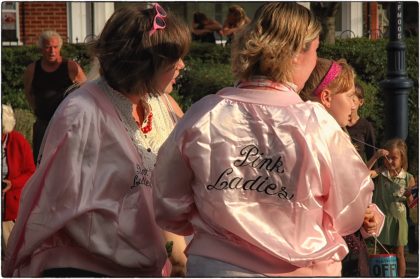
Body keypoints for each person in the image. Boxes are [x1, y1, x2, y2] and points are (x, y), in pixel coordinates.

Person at [152, 3, 377, 276]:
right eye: (315, 49)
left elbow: (167, 200)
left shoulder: (206, 114)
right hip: (300, 266)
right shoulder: (316, 125)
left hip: (218, 266)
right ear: (296, 53)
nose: (316, 60)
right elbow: (350, 210)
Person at [3, 4, 190, 277]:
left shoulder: (164, 105)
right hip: (89, 268)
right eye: (174, 59)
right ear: (143, 65)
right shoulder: (81, 114)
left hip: (147, 265)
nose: (182, 65)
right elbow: (59, 204)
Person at [300, 58, 384, 277]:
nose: (353, 104)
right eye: (349, 97)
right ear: (327, 98)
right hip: (332, 253)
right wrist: (361, 212)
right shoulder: (329, 138)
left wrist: (367, 215)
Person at [23, 30, 87, 164]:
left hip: (67, 125)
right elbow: (29, 93)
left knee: (68, 162)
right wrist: (38, 109)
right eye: (48, 47)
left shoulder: (70, 67)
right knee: (41, 163)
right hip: (43, 123)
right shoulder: (33, 69)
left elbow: (86, 90)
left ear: (60, 48)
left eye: (55, 47)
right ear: (42, 48)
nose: (52, 51)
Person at [369, 138, 416, 277]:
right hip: (381, 221)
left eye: (393, 158)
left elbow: (412, 205)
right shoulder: (380, 174)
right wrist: (375, 157)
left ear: (402, 159)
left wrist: (409, 195)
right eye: (386, 158)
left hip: (398, 222)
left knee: (399, 253)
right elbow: (364, 174)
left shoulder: (408, 177)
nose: (389, 161)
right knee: (380, 252)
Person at [1, 105, 36, 253]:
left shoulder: (18, 141)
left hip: (8, 209)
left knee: (9, 253)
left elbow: (31, 172)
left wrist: (12, 183)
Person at [346, 83, 377, 163]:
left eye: (353, 100)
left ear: (361, 102)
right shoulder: (337, 124)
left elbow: (372, 154)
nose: (349, 103)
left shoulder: (366, 126)